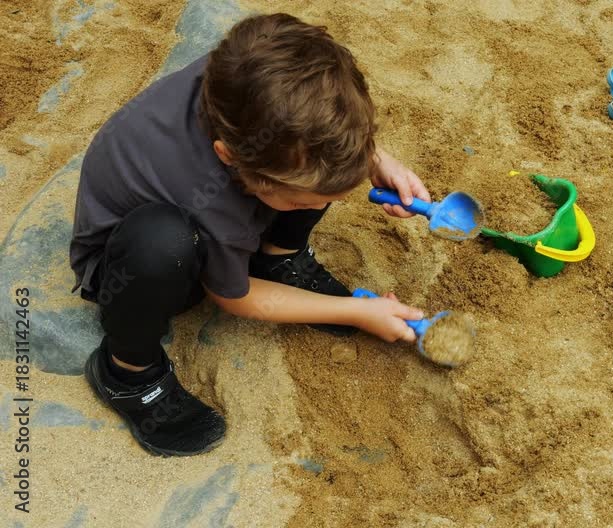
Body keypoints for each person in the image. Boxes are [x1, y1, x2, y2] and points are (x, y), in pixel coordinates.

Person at [69, 13, 430, 456]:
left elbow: (315, 135)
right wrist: (355, 312)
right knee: (163, 244)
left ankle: (278, 258)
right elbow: (236, 298)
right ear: (229, 157)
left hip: (238, 193)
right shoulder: (209, 202)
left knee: (316, 181)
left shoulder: (246, 78)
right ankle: (127, 373)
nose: (317, 207)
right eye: (298, 204)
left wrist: (372, 159)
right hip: (131, 263)